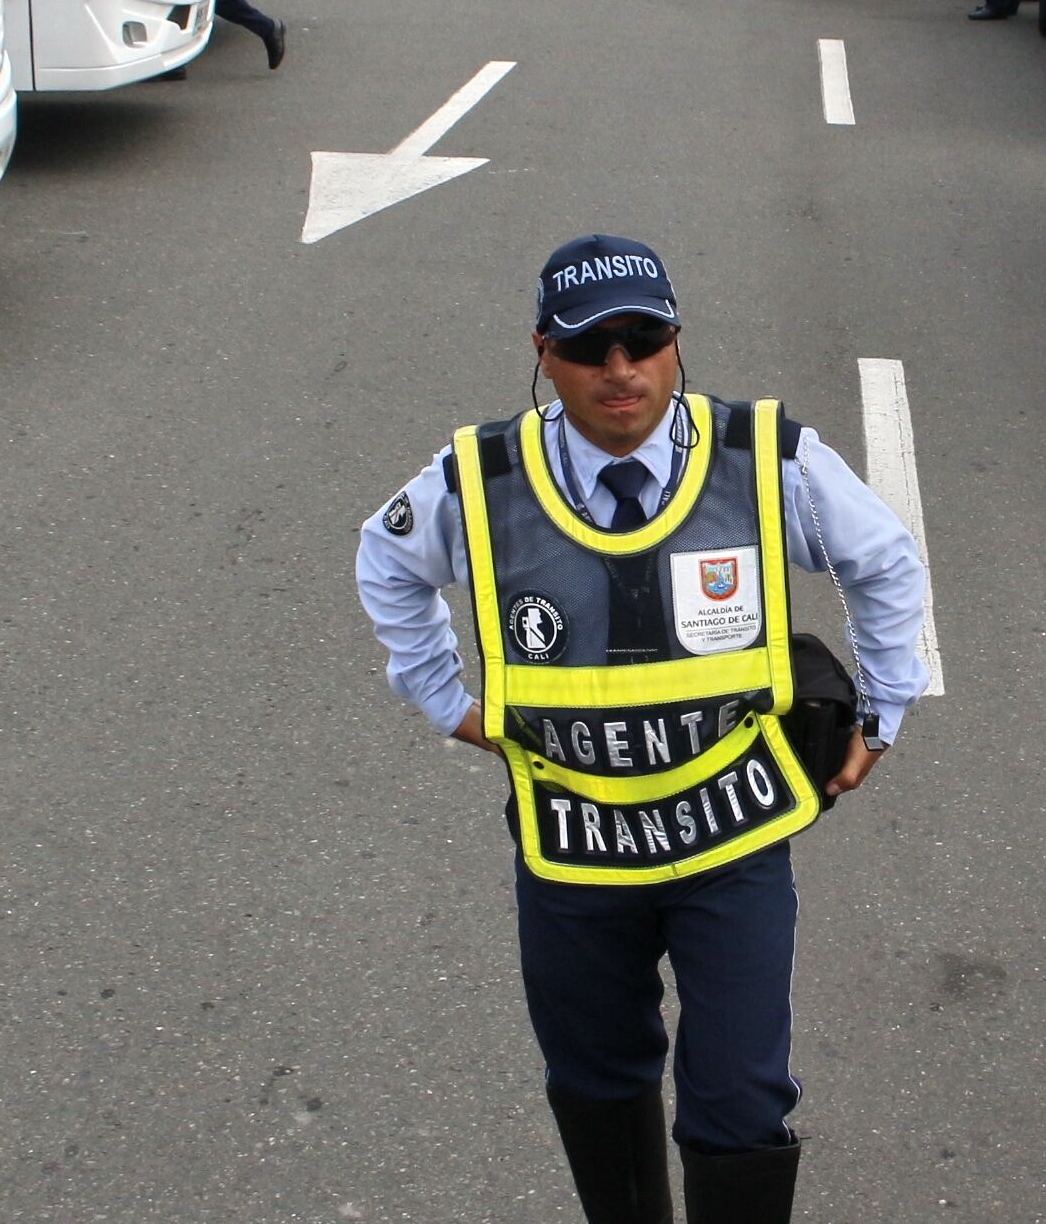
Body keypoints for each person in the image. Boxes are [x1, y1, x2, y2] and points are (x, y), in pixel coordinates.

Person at [353, 236, 932, 1224]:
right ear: (543, 351)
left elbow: (884, 560)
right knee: (596, 1076)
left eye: (644, 339)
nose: (620, 369)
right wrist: (448, 701)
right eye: (590, 347)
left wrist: (881, 711)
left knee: (742, 1095)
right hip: (575, 846)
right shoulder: (484, 478)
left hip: (730, 839)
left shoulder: (761, 457)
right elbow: (385, 556)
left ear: (676, 342)